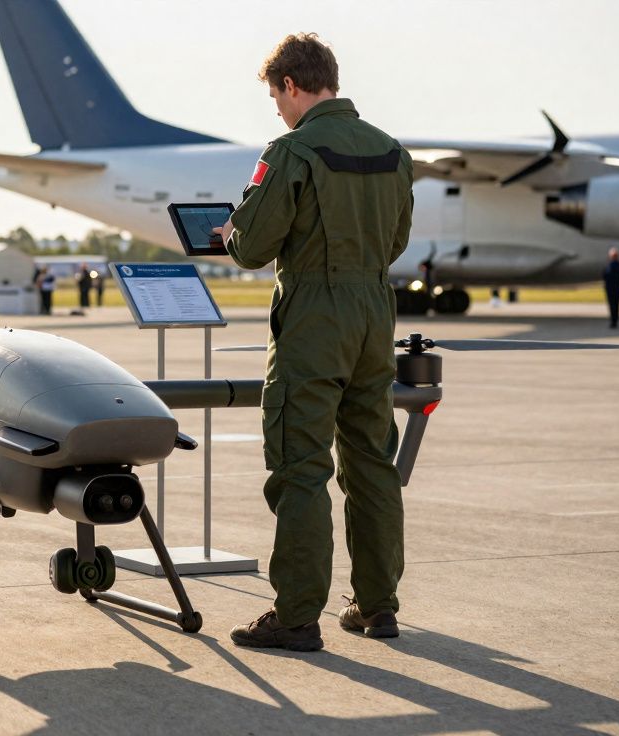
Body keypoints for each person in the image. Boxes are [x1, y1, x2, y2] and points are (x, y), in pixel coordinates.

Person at [215, 33, 414, 652]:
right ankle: (377, 606)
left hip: (313, 321)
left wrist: (231, 232)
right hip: (373, 316)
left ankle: (298, 615)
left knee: (300, 466)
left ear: (292, 85)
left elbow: (253, 248)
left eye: (277, 97)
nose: (277, 110)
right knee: (372, 462)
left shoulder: (291, 151)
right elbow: (397, 241)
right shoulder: (391, 150)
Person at [602, 248, 619, 329]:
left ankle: (613, 321)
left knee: (612, 305)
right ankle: (615, 320)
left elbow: (605, 276)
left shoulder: (608, 266)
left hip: (610, 289)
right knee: (616, 305)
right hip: (618, 288)